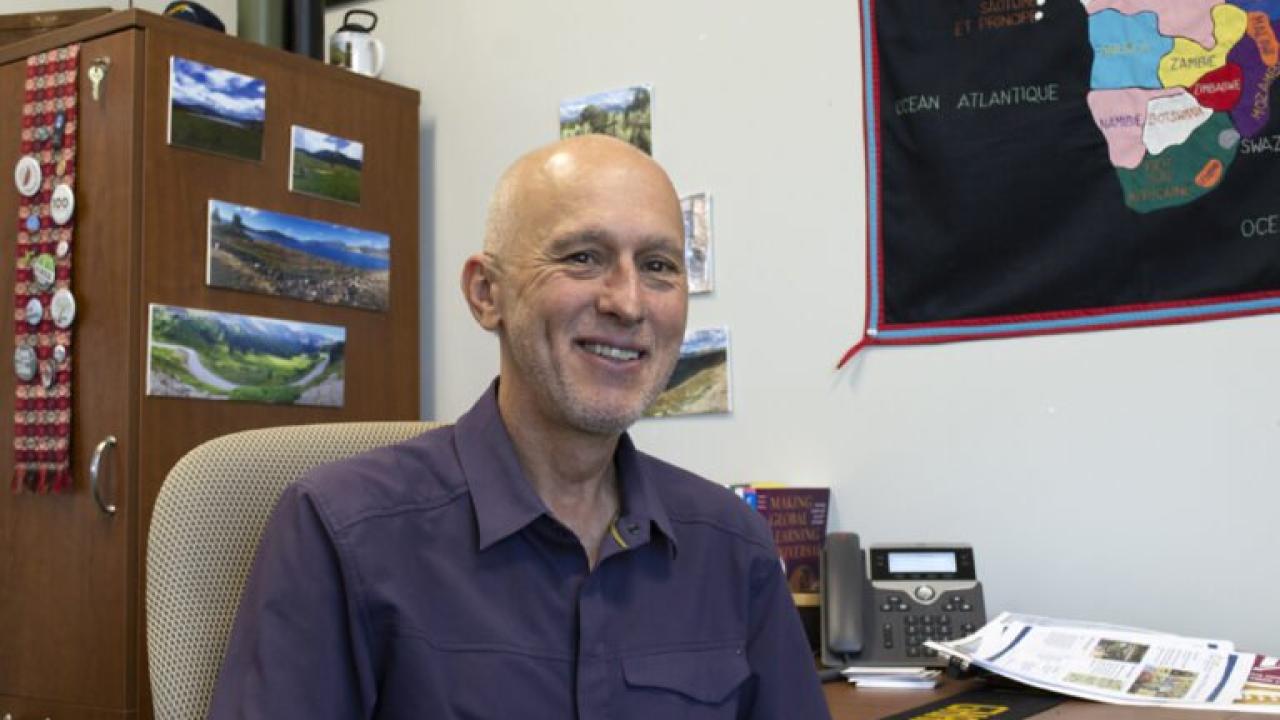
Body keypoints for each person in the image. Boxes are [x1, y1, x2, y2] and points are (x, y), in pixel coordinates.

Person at [208, 135, 830, 719]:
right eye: (583, 257)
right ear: (486, 294)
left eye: (659, 265)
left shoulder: (733, 548)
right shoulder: (340, 531)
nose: (629, 302)